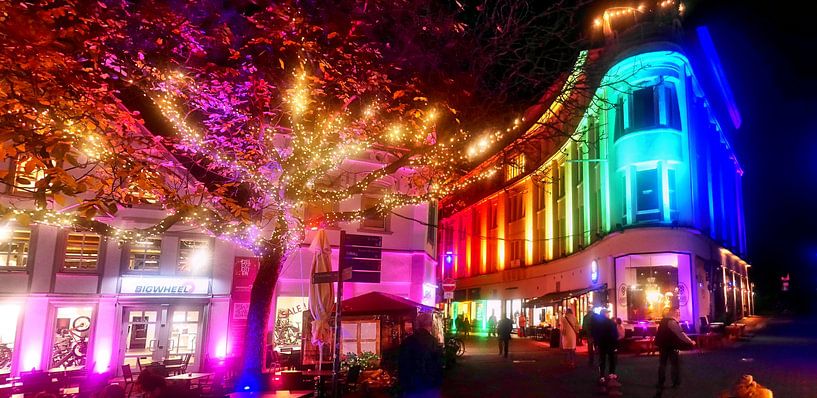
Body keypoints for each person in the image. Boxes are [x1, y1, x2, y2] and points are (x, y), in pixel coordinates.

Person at [399, 312, 443, 398]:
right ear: (430, 324)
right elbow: (438, 364)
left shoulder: (408, 341)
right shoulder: (433, 342)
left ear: (418, 324)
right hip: (429, 386)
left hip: (411, 386)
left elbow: (402, 364)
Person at [655, 307, 695, 389]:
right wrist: (690, 341)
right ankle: (675, 383)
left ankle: (660, 383)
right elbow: (681, 334)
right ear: (673, 313)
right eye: (677, 312)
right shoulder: (672, 322)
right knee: (674, 365)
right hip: (671, 346)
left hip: (663, 346)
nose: (679, 314)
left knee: (662, 364)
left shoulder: (664, 321)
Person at [595, 309, 619, 384]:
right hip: (610, 343)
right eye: (607, 313)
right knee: (611, 359)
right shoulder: (611, 322)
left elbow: (595, 333)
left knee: (602, 360)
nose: (608, 314)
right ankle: (611, 374)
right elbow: (615, 334)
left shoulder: (597, 323)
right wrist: (615, 344)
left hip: (602, 344)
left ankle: (602, 376)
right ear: (605, 314)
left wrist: (596, 343)